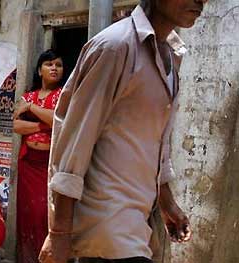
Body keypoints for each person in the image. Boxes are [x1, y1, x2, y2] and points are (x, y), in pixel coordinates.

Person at [39, 0, 208, 263]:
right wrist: (58, 233)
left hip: (136, 225)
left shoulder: (171, 57)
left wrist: (167, 203)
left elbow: (155, 141)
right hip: (105, 229)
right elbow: (74, 141)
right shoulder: (115, 48)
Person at [13, 49, 64, 263]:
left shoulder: (63, 94)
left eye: (59, 65)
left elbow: (59, 121)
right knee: (27, 215)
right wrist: (43, 126)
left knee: (45, 214)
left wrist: (32, 109)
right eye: (49, 64)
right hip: (28, 165)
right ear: (39, 70)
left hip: (50, 166)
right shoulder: (27, 95)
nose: (54, 68)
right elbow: (15, 124)